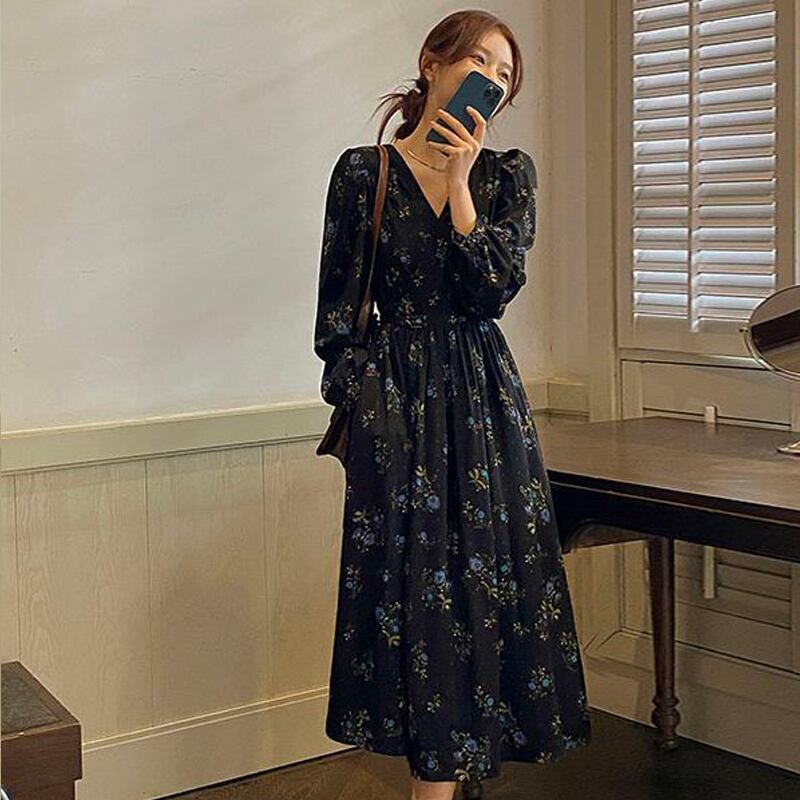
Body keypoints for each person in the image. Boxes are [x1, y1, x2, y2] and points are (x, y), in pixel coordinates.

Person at [313, 10, 591, 800]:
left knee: (484, 587)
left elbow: (492, 288)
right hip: (395, 405)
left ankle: (450, 779)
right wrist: (365, 404)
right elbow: (337, 318)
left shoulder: (507, 176)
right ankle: (433, 781)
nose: (492, 82)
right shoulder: (363, 173)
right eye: (480, 62)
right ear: (433, 64)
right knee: (410, 596)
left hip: (482, 407)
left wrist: (462, 184)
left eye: (505, 76)